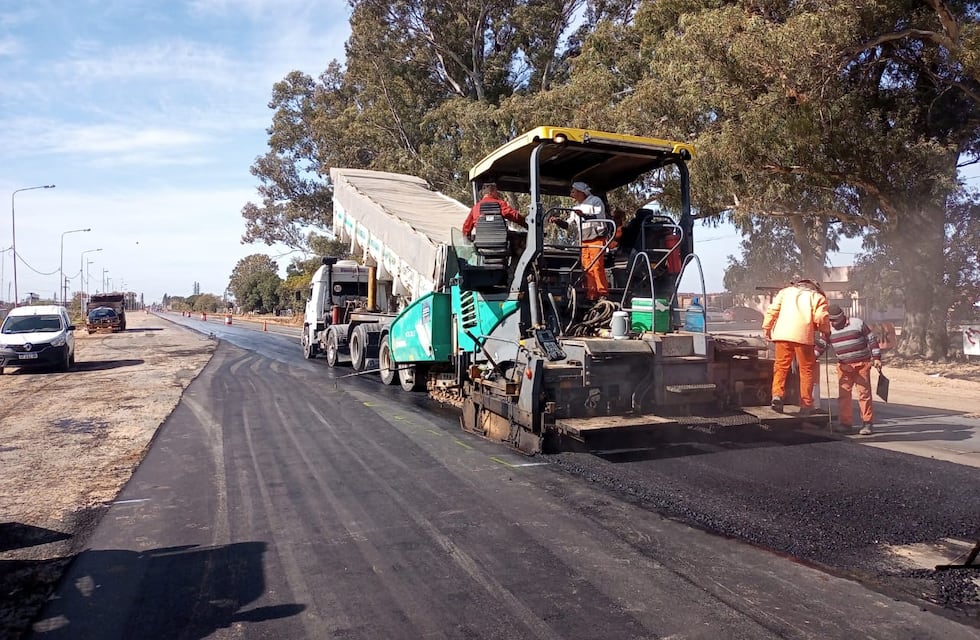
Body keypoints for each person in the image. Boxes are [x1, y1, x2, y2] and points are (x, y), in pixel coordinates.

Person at [762, 278, 831, 416]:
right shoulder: (817, 297)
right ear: (814, 287)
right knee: (806, 371)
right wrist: (825, 331)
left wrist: (767, 328)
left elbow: (772, 310)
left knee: (781, 366)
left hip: (782, 335)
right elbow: (821, 318)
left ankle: (777, 396)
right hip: (803, 337)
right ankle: (806, 404)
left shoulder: (784, 292)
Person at [815, 304, 882, 434]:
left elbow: (872, 340)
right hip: (844, 366)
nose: (832, 323)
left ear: (841, 317)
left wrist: (877, 358)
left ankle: (867, 423)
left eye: (834, 320)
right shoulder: (828, 329)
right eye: (830, 320)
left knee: (864, 394)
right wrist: (813, 356)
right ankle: (845, 424)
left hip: (862, 364)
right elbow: (822, 346)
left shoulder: (857, 323)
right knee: (844, 395)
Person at [548, 181, 610, 300]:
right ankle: (592, 294)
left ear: (581, 192)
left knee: (596, 266)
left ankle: (603, 293)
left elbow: (598, 217)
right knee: (587, 268)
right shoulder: (576, 207)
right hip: (584, 240)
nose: (571, 193)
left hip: (596, 238)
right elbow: (568, 225)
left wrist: (583, 215)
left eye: (573, 191)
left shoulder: (595, 201)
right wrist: (557, 221)